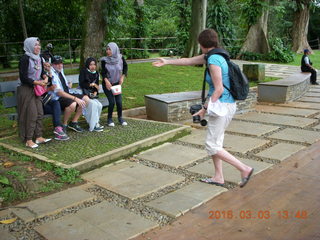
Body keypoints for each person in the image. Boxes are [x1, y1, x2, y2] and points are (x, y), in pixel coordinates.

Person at [153, 29, 254, 188]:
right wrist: (166, 61)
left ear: (201, 44)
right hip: (225, 105)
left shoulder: (213, 60)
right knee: (216, 143)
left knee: (212, 145)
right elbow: (188, 61)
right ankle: (218, 176)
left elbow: (219, 89)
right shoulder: (214, 55)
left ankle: (245, 169)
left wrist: (204, 109)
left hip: (221, 106)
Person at [18, 37, 51, 148]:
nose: (38, 47)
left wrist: (45, 77)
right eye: (35, 45)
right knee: (32, 114)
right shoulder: (25, 59)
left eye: (39, 44)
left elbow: (41, 71)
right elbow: (23, 78)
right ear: (30, 46)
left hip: (37, 89)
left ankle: (38, 136)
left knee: (40, 113)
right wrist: (37, 82)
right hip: (27, 90)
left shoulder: (38, 58)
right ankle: (28, 139)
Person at [50, 55, 88, 133]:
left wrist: (68, 84)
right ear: (52, 65)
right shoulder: (51, 74)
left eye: (61, 63)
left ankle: (74, 122)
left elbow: (63, 84)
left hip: (67, 93)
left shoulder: (60, 70)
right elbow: (59, 92)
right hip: (58, 97)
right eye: (57, 63)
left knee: (86, 99)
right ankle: (64, 124)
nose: (60, 65)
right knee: (73, 104)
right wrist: (75, 98)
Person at [101, 42, 128, 127]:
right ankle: (109, 119)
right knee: (112, 102)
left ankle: (120, 118)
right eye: (107, 49)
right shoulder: (104, 60)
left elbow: (125, 67)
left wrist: (122, 77)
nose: (108, 51)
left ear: (114, 50)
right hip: (108, 84)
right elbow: (103, 72)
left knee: (119, 102)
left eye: (110, 49)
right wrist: (106, 81)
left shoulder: (121, 58)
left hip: (116, 84)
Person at [42, 61, 70, 140]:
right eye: (45, 66)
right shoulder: (38, 76)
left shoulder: (48, 76)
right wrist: (49, 88)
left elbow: (50, 88)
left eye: (48, 66)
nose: (47, 67)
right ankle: (59, 129)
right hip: (39, 103)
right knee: (56, 107)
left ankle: (58, 128)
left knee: (56, 104)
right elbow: (40, 90)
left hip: (47, 102)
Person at [78, 57, 104, 132]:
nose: (93, 66)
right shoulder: (84, 71)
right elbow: (82, 84)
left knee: (99, 105)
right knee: (93, 104)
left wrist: (95, 92)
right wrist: (92, 84)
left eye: (94, 64)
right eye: (90, 65)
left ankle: (95, 123)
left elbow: (97, 87)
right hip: (83, 95)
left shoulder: (96, 73)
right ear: (87, 65)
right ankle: (93, 126)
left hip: (91, 95)